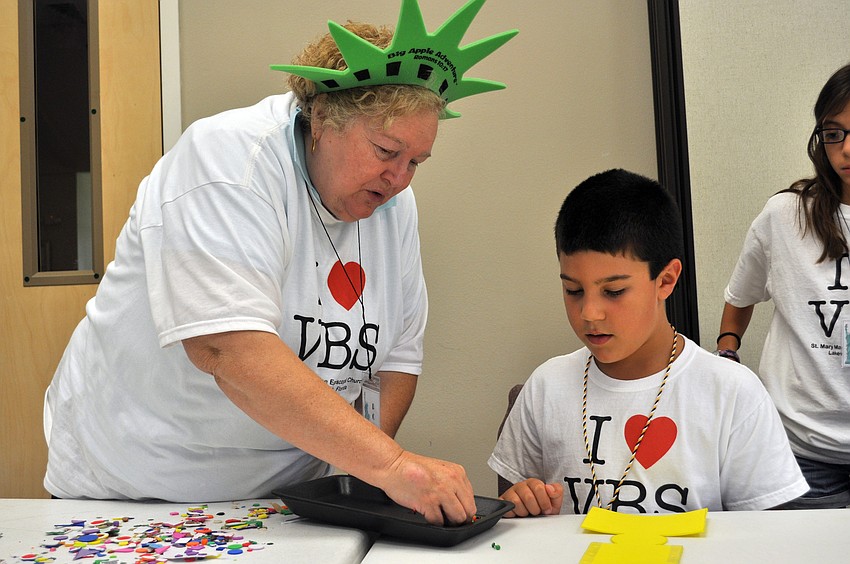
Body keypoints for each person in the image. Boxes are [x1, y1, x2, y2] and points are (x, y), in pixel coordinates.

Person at [43, 0, 516, 525]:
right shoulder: (229, 161)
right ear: (321, 119)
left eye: (415, 163)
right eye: (386, 151)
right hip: (139, 487)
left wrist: (362, 472)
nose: (400, 179)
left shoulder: (393, 205)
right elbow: (228, 349)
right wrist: (392, 465)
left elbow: (396, 360)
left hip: (290, 503)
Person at [488, 169, 808, 516]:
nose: (590, 313)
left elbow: (765, 535)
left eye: (613, 291)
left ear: (666, 280)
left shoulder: (731, 392)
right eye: (573, 290)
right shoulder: (546, 387)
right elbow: (510, 507)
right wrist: (519, 503)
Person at [717, 63, 850, 509]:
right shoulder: (785, 216)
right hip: (799, 454)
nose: (847, 149)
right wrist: (728, 353)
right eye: (834, 133)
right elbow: (739, 297)